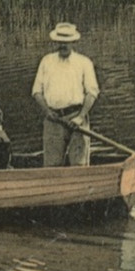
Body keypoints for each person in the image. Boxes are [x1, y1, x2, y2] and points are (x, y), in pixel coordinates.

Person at [31, 22, 100, 167]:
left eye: (66, 43)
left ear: (72, 42)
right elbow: (37, 91)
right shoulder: (46, 61)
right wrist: (47, 111)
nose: (63, 46)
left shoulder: (84, 62)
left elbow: (92, 93)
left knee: (79, 164)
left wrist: (81, 117)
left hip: (77, 119)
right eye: (60, 42)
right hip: (53, 119)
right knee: (51, 165)